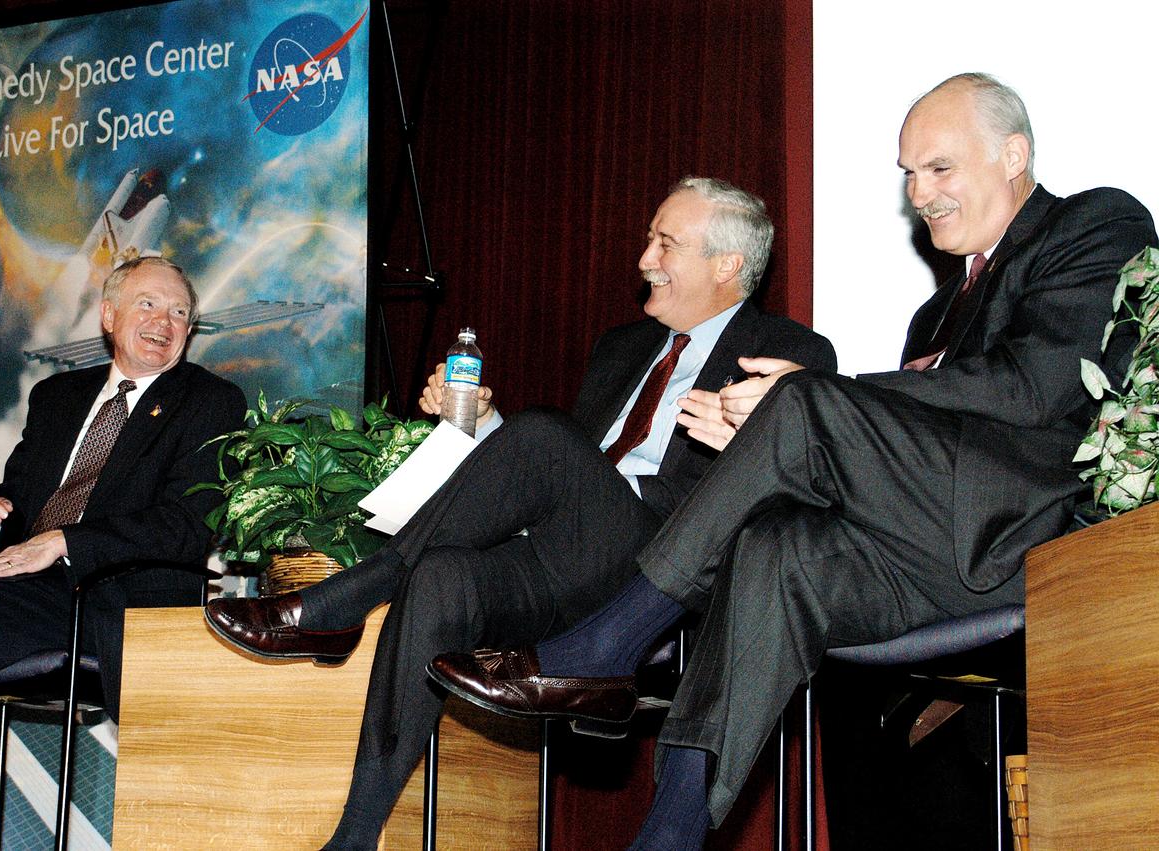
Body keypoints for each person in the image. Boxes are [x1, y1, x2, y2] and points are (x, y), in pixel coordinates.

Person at [431, 72, 1159, 849]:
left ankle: (606, 644)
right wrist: (769, 450)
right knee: (773, 546)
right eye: (908, 174)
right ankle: (669, 832)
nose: (919, 191)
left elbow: (1035, 389)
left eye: (939, 168)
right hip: (926, 548)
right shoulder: (933, 313)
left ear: (1013, 154)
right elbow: (904, 445)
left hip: (1022, 540)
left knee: (803, 401)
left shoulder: (1093, 224)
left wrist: (819, 402)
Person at [204, 177, 837, 848]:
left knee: (541, 433)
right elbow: (575, 470)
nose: (645, 258)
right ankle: (355, 834)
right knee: (442, 573)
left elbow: (808, 493)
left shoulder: (792, 353)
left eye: (665, 242)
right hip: (570, 557)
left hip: (668, 567)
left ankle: (352, 594)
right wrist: (484, 423)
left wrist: (755, 433)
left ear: (727, 264)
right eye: (650, 239)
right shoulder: (623, 348)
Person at [0, 257, 246, 847]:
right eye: (149, 304)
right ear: (109, 315)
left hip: (106, 600)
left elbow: (186, 525)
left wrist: (67, 542)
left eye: (180, 312)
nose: (165, 321)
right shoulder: (58, 394)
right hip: (23, 592)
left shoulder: (210, 401)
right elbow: (21, 497)